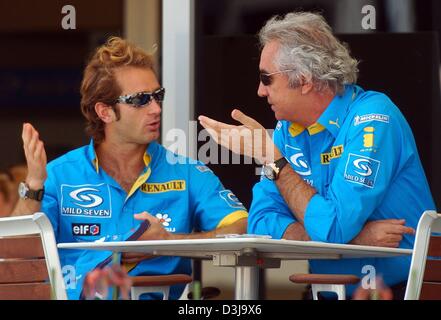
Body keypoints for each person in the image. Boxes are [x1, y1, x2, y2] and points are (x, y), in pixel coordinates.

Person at [198, 11, 435, 299]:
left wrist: (275, 161)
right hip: (328, 290)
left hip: (400, 290)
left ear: (305, 80)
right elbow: (260, 222)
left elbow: (332, 227)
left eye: (266, 78)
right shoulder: (288, 130)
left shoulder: (372, 118)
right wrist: (359, 238)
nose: (260, 90)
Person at [12, 37, 248, 300]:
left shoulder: (188, 172)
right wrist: (34, 185)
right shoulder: (60, 174)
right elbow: (15, 254)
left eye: (158, 96)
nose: (156, 108)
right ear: (105, 112)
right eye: (140, 100)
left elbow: (242, 227)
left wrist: (171, 242)